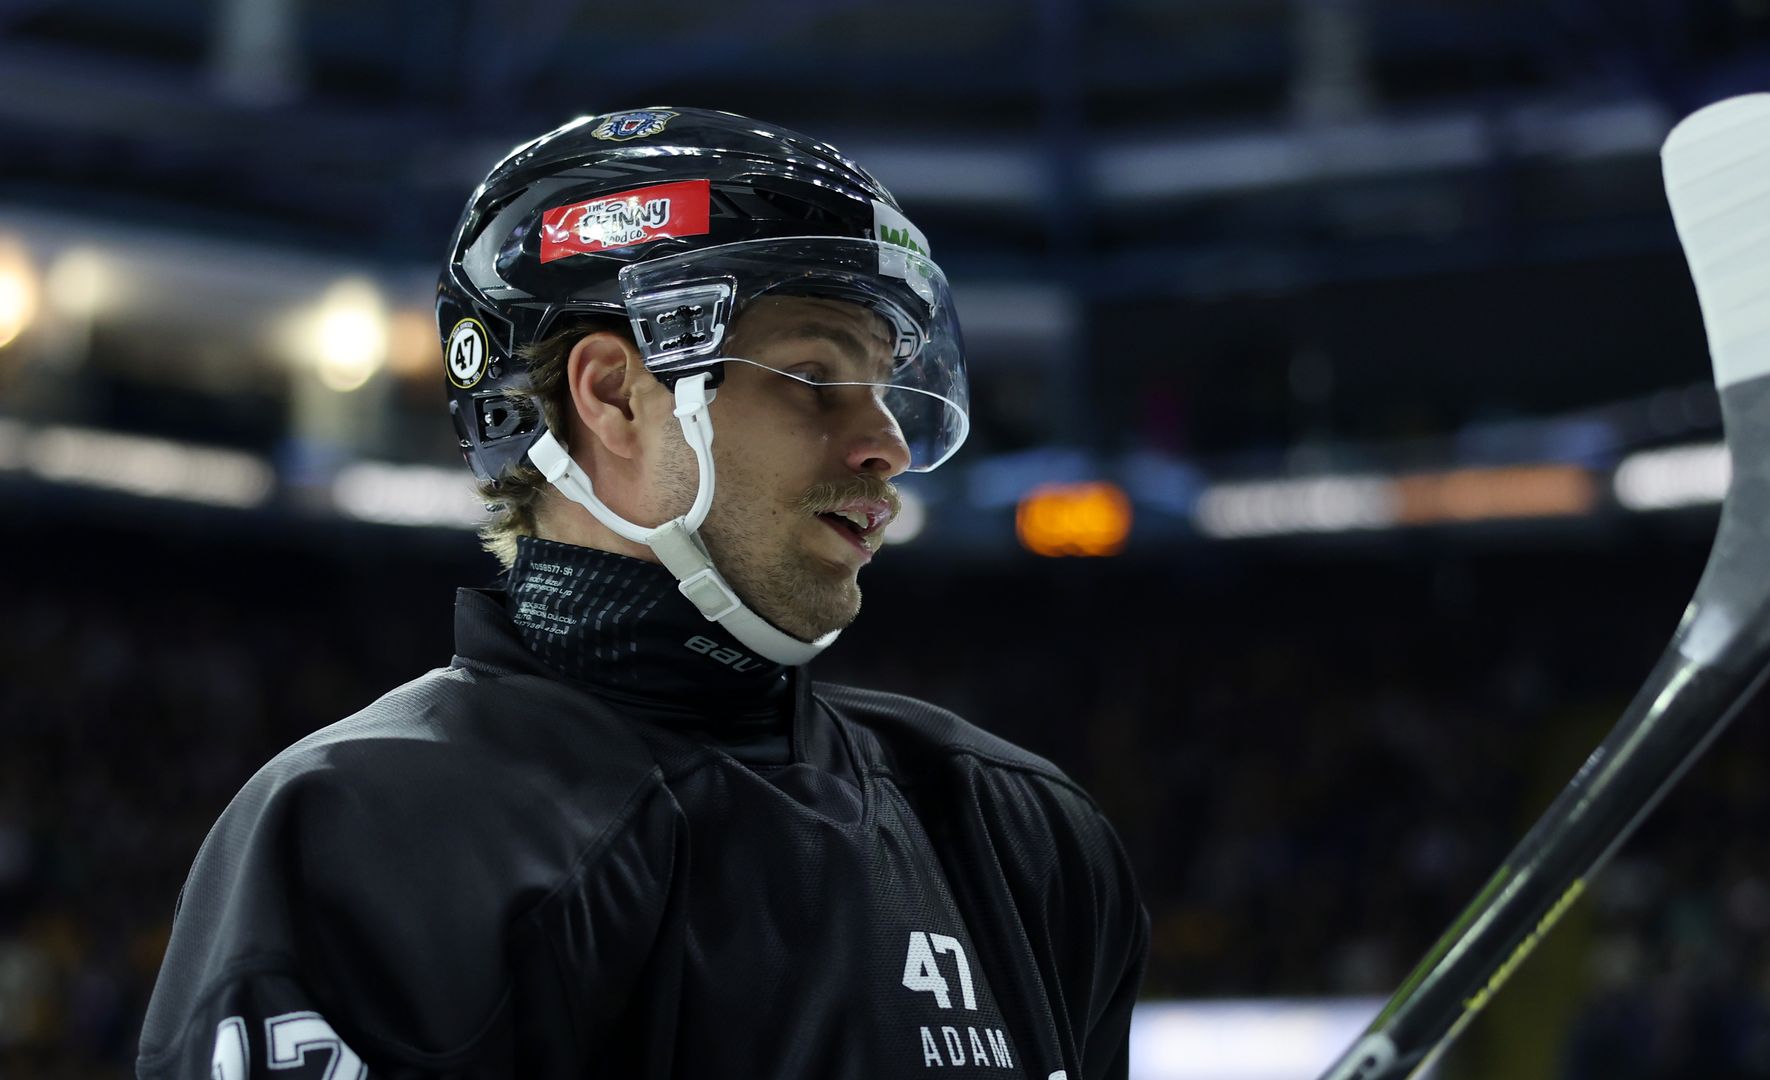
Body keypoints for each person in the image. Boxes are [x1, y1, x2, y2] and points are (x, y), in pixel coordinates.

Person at [137, 107, 1148, 1079]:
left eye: (884, 384)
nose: (887, 443)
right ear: (614, 395)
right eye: (813, 375)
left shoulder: (1023, 838)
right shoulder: (363, 836)